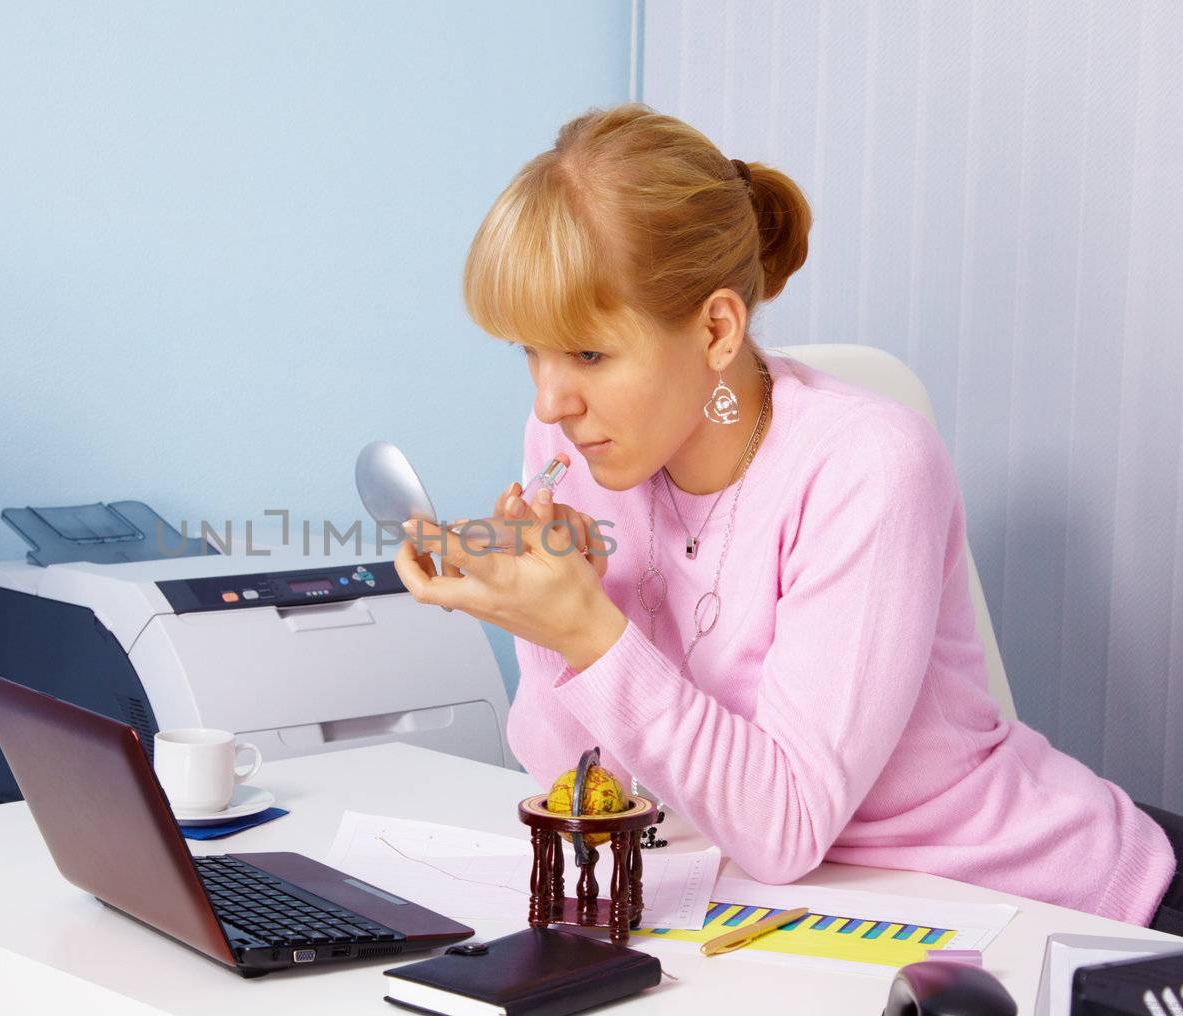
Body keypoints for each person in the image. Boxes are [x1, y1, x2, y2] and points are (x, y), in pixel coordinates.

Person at [394, 103, 1183, 931]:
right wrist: (545, 623)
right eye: (530, 350)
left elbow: (785, 828)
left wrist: (588, 629)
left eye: (588, 353)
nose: (551, 399)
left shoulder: (867, 465)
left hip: (1051, 908)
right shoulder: (575, 441)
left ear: (717, 327)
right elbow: (585, 784)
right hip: (808, 921)